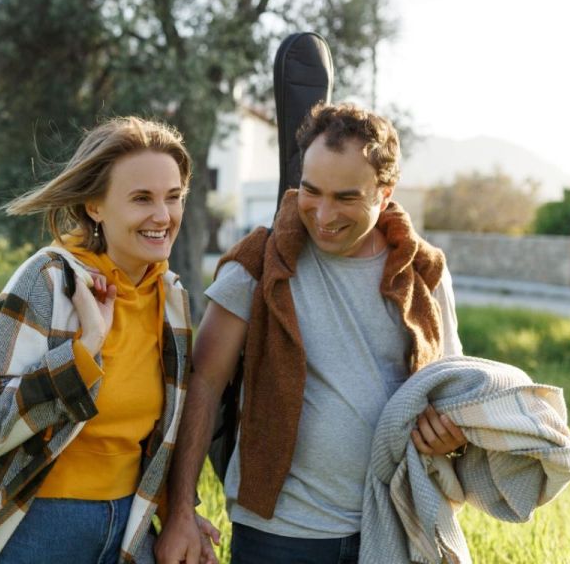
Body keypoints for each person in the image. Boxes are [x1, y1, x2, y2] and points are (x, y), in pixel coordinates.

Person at [155, 103, 467, 564]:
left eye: (345, 197)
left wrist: (450, 436)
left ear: (385, 192)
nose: (322, 215)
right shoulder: (259, 261)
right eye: (310, 190)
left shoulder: (423, 272)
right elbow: (203, 381)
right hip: (279, 535)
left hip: (395, 524)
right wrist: (180, 508)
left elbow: (452, 391)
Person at [0, 116, 218, 564]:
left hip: (123, 524)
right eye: (142, 198)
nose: (163, 216)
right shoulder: (47, 279)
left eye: (173, 197)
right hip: (35, 525)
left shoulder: (171, 297)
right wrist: (84, 351)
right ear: (95, 205)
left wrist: (176, 513)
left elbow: (155, 438)